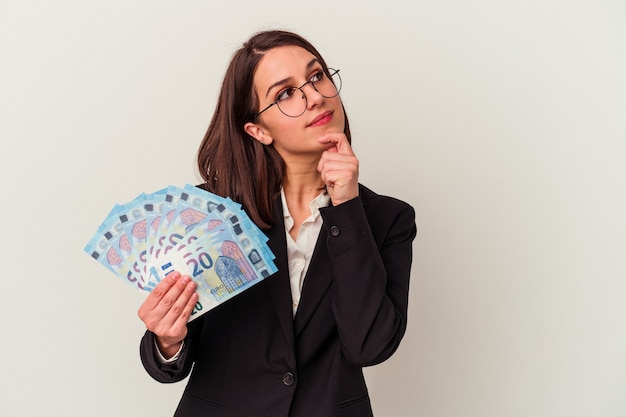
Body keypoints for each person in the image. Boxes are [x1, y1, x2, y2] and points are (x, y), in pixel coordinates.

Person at [138, 29, 417, 417]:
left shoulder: (387, 219)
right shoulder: (211, 214)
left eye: (316, 76)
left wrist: (346, 207)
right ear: (258, 130)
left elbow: (368, 346)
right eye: (285, 94)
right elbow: (169, 366)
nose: (315, 96)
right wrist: (167, 340)